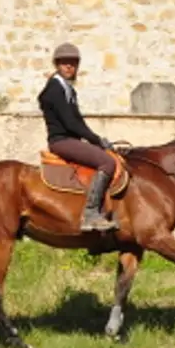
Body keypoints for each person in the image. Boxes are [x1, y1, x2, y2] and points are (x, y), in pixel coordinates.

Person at [37, 43, 120, 232]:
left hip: (71, 140)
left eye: (73, 63)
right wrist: (96, 140)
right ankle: (90, 213)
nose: (69, 67)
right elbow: (70, 123)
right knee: (107, 163)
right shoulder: (55, 89)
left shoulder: (68, 89)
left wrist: (97, 140)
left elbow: (79, 122)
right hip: (62, 141)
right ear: (57, 65)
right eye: (64, 63)